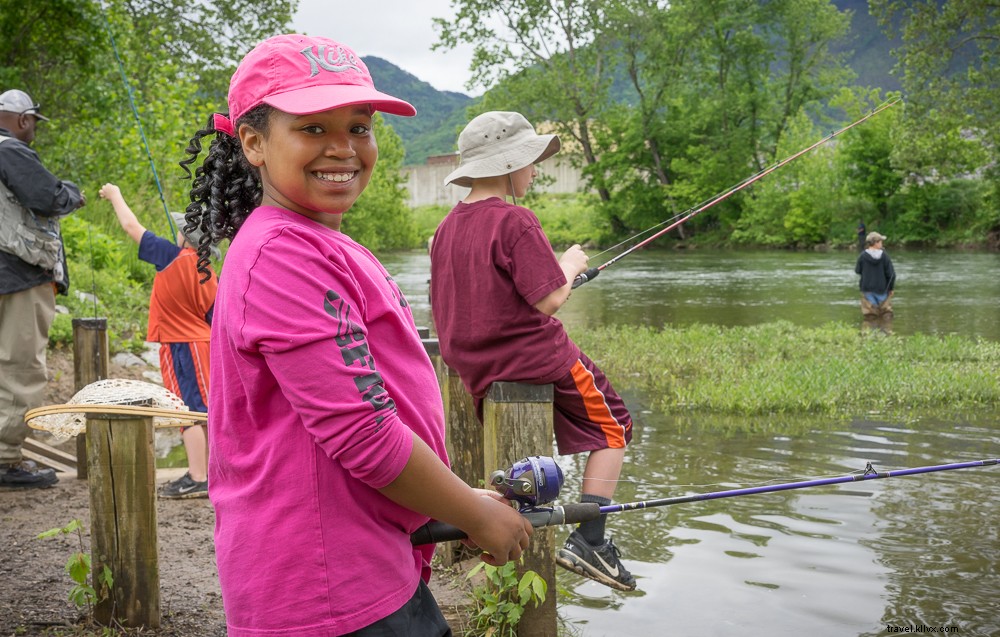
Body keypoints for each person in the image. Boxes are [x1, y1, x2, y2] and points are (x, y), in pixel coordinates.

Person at [178, 34, 533, 635]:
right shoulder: (282, 255)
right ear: (254, 143)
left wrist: (447, 497)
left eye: (359, 127)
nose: (343, 148)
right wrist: (474, 514)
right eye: (313, 129)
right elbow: (363, 432)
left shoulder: (314, 242)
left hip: (360, 560)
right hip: (327, 586)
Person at [429, 111, 638, 592]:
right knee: (616, 426)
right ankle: (592, 538)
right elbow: (549, 299)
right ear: (507, 166)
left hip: (476, 367)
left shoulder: (446, 228)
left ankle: (497, 550)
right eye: (529, 160)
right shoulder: (515, 219)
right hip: (534, 356)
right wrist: (569, 263)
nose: (535, 170)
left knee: (527, 468)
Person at [98, 184, 217, 499]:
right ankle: (204, 473)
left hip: (182, 347)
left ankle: (197, 476)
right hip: (203, 346)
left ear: (185, 235)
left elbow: (130, 226)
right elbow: (215, 318)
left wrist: (115, 194)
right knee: (202, 409)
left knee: (186, 410)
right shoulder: (209, 271)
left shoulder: (169, 255)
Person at [0, 89, 85, 489]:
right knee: (19, 368)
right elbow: (47, 196)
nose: (33, 128)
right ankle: (5, 460)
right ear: (21, 119)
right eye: (33, 120)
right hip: (18, 276)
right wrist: (72, 192)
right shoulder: (10, 150)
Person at [855, 231, 895, 330]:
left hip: (867, 289)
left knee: (870, 315)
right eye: (881, 241)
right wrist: (890, 288)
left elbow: (857, 270)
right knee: (886, 314)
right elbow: (892, 274)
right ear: (876, 242)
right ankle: (885, 335)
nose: (882, 243)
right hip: (882, 289)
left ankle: (870, 339)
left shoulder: (862, 256)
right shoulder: (885, 256)